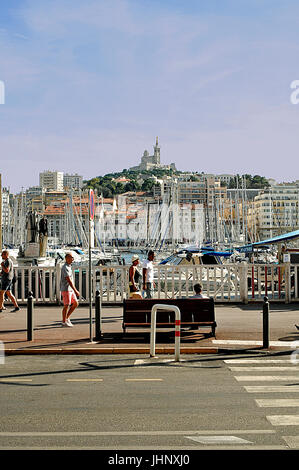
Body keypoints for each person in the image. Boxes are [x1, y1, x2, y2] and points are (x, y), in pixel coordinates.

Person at [60, 252, 80, 327]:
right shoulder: (64, 267)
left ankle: (66, 318)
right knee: (66, 305)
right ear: (67, 258)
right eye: (71, 257)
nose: (72, 259)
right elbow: (68, 280)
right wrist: (75, 290)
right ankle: (64, 321)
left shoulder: (69, 266)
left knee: (75, 303)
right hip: (66, 289)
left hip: (70, 289)